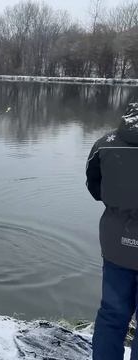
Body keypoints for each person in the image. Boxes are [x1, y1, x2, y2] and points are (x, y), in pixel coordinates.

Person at [86, 102, 138, 360]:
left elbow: (95, 189)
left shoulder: (105, 143)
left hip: (117, 244)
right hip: (118, 244)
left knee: (112, 315)